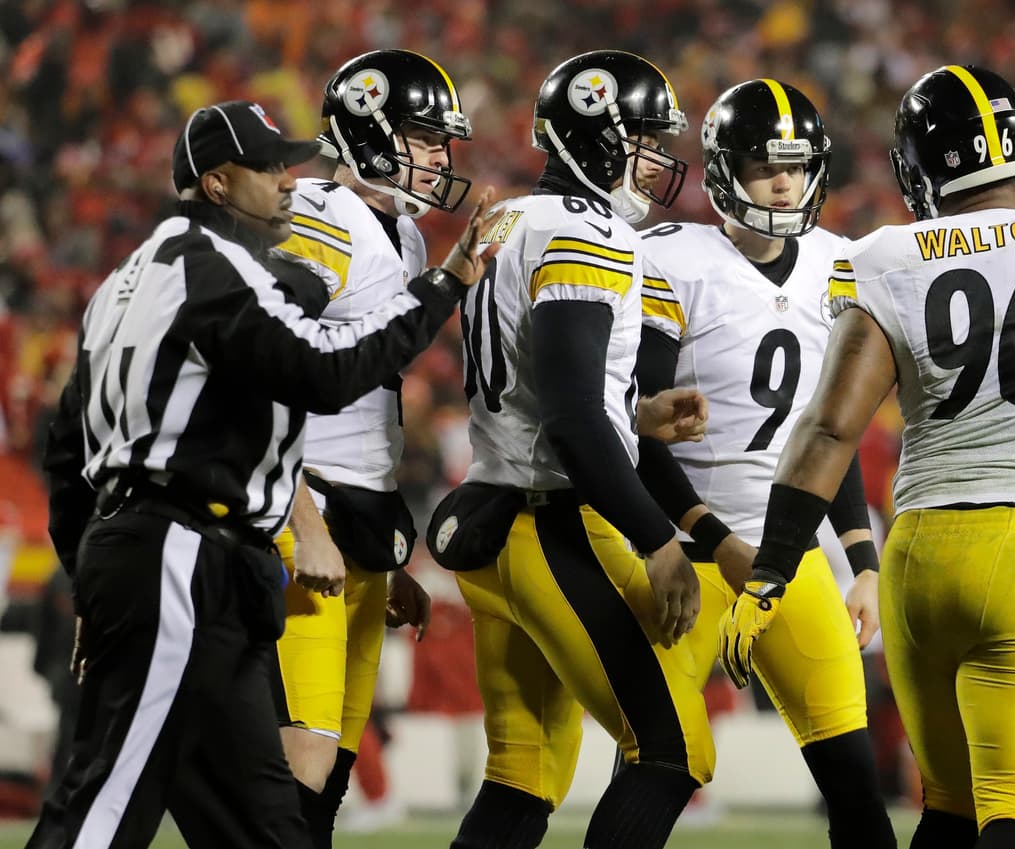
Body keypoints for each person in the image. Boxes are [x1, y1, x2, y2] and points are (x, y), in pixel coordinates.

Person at [718, 64, 1015, 849]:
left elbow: (827, 430)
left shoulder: (885, 256)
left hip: (917, 561)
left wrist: (773, 567)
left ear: (919, 163)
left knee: (946, 817)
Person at [30, 99, 499, 849]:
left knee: (266, 823)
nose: (289, 181)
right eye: (269, 167)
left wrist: (88, 578)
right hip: (180, 551)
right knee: (107, 805)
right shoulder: (215, 270)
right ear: (217, 184)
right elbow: (324, 373)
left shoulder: (127, 279)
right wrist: (442, 288)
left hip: (187, 558)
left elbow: (64, 455)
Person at [427, 49, 712, 849]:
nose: (658, 160)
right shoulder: (584, 233)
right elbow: (572, 415)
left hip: (495, 515)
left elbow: (544, 382)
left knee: (524, 777)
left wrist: (640, 412)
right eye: (647, 139)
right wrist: (657, 538)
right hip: (553, 521)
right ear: (599, 139)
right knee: (673, 748)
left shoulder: (509, 217)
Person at [634, 79, 895, 849]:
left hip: (786, 554)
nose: (783, 181)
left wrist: (862, 561)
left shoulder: (837, 261)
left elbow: (830, 433)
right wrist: (703, 540)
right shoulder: (674, 259)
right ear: (723, 171)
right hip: (683, 549)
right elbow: (635, 429)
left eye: (795, 163)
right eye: (761, 164)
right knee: (661, 766)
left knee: (854, 777)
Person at [268, 48, 471, 848]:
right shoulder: (319, 211)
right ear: (368, 131)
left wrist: (386, 559)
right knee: (303, 754)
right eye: (422, 136)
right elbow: (271, 369)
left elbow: (369, 391)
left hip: (359, 516)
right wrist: (306, 517)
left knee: (335, 762)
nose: (436, 156)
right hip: (305, 505)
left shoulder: (408, 240)